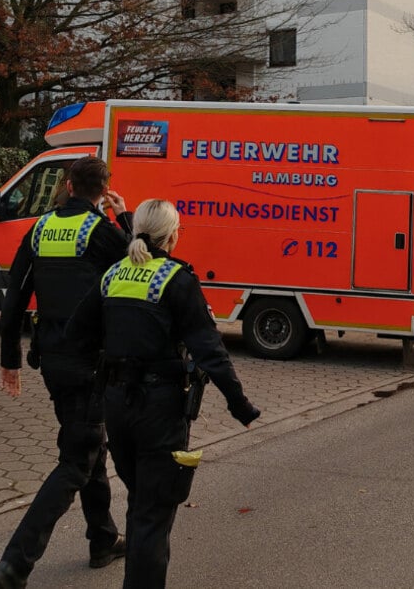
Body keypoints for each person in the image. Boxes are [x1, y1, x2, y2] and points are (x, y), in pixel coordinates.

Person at [66, 199, 261, 588]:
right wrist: (240, 405)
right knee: (154, 515)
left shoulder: (112, 275)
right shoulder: (177, 279)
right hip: (159, 412)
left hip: (117, 407)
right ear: (172, 235)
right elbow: (210, 351)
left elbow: (75, 335)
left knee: (141, 503)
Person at [0, 157, 131, 589]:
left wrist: (9, 358)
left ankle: (103, 539)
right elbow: (139, 265)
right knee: (76, 459)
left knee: (89, 443)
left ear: (68, 185)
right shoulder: (102, 232)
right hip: (91, 363)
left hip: (51, 360)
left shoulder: (41, 229)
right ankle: (15, 562)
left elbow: (14, 297)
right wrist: (122, 215)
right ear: (102, 190)